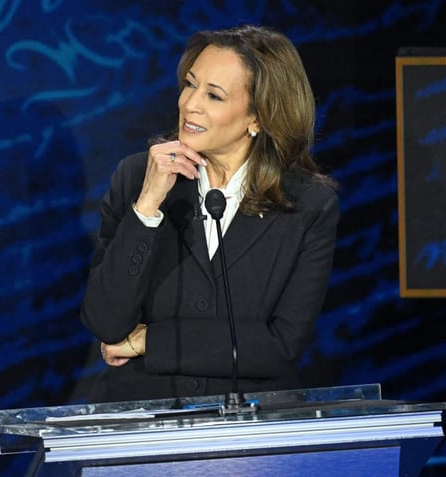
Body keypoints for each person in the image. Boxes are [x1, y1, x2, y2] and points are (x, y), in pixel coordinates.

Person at [80, 24, 339, 403]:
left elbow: (279, 346)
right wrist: (147, 207)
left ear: (259, 117)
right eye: (190, 84)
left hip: (249, 433)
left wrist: (151, 341)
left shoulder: (308, 204)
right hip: (143, 423)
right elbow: (105, 323)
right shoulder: (136, 177)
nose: (189, 104)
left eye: (214, 96)